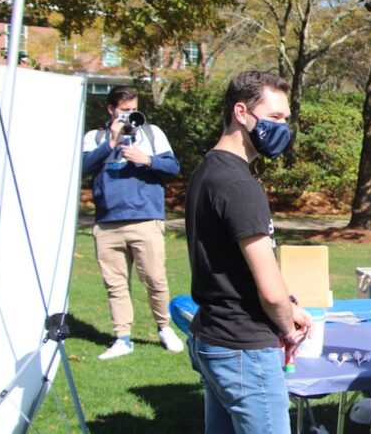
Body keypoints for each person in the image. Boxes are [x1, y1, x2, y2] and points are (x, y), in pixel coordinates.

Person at [185, 71, 312, 434]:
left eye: (286, 119)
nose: (283, 128)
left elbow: (233, 265)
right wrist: (288, 328)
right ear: (241, 112)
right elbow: (269, 290)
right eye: (274, 118)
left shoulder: (207, 170)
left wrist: (290, 306)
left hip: (213, 336)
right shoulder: (241, 186)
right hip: (244, 348)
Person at [81, 85, 184, 360]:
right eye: (124, 111)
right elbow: (81, 167)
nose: (129, 116)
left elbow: (174, 167)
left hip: (145, 218)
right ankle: (122, 338)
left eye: (133, 110)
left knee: (155, 278)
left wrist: (146, 159)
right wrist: (111, 144)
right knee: (115, 284)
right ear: (111, 109)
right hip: (107, 223)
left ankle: (164, 327)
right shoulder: (95, 137)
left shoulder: (151, 133)